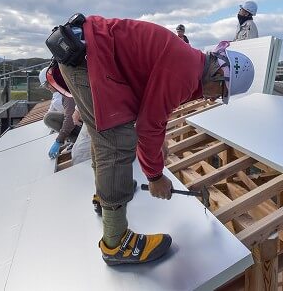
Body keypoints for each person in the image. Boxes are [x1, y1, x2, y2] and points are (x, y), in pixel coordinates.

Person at [46, 15, 255, 266]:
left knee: (107, 135)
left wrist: (160, 137)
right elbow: (147, 126)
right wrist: (155, 176)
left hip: (87, 53)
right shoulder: (186, 71)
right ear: (219, 74)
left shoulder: (190, 63)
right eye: (221, 93)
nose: (213, 100)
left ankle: (104, 198)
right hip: (89, 58)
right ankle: (116, 243)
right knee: (116, 141)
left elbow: (152, 110)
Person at [38, 67, 78, 158]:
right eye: (45, 86)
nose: (47, 88)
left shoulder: (66, 92)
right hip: (84, 122)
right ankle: (74, 139)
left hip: (88, 126)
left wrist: (58, 141)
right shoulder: (63, 90)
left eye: (47, 84)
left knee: (78, 155)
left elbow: (70, 118)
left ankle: (76, 139)